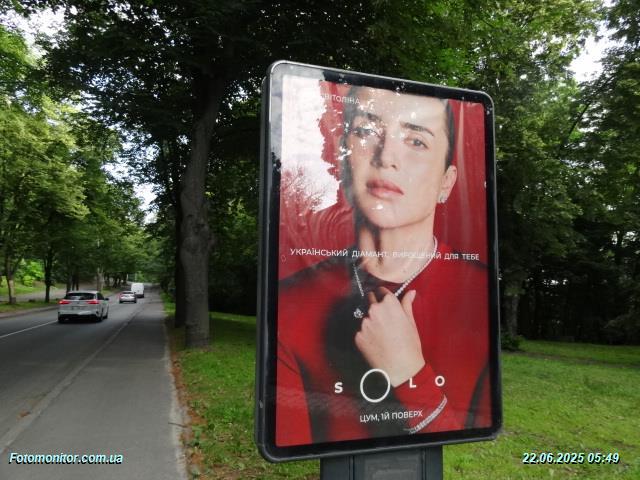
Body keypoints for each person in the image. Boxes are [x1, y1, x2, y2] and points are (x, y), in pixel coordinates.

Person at [276, 86, 491, 447]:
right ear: (344, 160)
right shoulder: (289, 302)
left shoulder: (481, 297)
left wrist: (408, 374)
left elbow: (470, 450)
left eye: (417, 141)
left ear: (446, 182)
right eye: (366, 131)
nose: (386, 156)